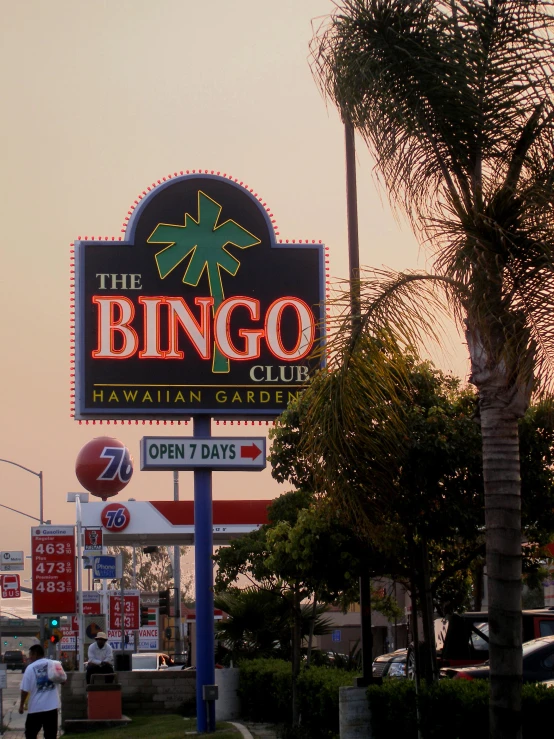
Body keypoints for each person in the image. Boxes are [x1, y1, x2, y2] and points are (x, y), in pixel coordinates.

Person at [18, 644, 59, 739]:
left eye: (31, 654)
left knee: (30, 734)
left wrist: (21, 705)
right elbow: (63, 680)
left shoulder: (30, 668)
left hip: (36, 708)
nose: (29, 657)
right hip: (52, 708)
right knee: (51, 735)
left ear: (36, 654)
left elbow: (24, 690)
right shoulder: (53, 664)